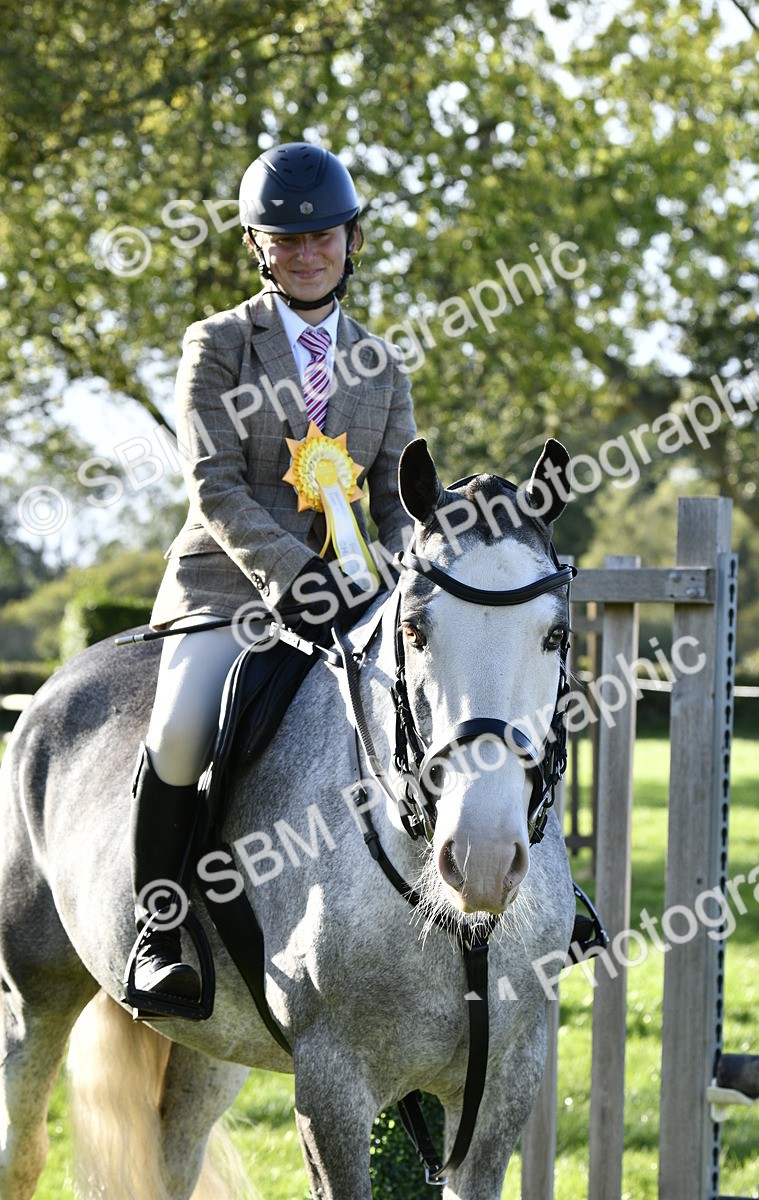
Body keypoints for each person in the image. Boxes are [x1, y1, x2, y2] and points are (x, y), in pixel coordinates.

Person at [127, 142, 416, 1012]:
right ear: (258, 246)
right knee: (180, 730)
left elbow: (400, 494)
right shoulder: (218, 343)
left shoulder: (382, 363)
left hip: (353, 592)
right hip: (228, 585)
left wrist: (402, 572)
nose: (305, 253)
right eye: (284, 241)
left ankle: (506, 908)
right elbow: (212, 484)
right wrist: (293, 576)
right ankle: (160, 930)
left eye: (320, 237)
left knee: (444, 699)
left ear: (351, 239)